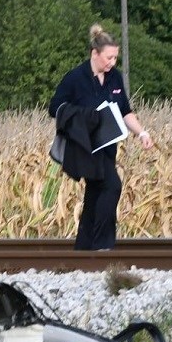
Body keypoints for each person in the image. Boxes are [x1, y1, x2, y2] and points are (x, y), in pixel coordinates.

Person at [49, 24, 155, 251]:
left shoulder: (114, 77)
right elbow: (55, 108)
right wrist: (84, 116)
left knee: (95, 192)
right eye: (109, 58)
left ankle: (85, 248)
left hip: (108, 147)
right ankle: (102, 246)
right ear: (94, 54)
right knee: (112, 186)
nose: (112, 63)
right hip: (85, 148)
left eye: (115, 58)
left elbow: (126, 111)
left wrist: (142, 132)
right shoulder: (75, 78)